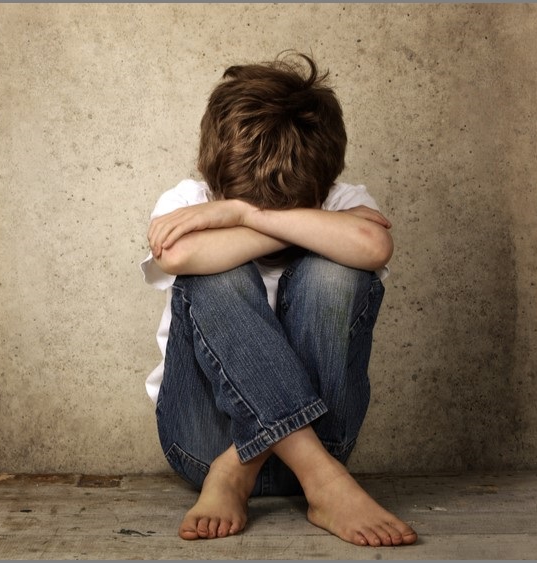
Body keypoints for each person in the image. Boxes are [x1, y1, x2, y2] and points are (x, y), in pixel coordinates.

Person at [140, 52, 418, 547]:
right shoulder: (189, 202)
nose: (253, 212)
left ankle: (244, 466)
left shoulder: (342, 198)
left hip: (327, 439)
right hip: (203, 445)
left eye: (282, 208)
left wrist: (244, 216)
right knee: (213, 277)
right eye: (243, 204)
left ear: (325, 181)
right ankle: (321, 482)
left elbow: (373, 245)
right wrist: (256, 218)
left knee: (337, 271)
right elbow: (179, 256)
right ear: (210, 170)